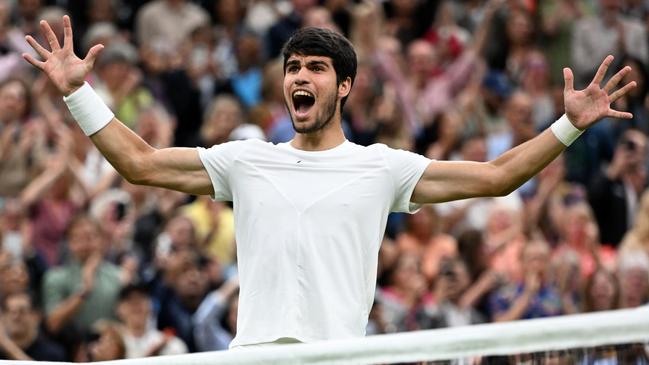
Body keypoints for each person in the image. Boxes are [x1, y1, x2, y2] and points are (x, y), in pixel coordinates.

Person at [24, 16, 635, 348]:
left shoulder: (382, 167)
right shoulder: (246, 159)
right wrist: (78, 92)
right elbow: (141, 163)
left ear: (343, 87)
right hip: (255, 357)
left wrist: (567, 126)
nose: (301, 76)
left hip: (341, 358)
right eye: (293, 67)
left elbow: (500, 176)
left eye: (316, 68)